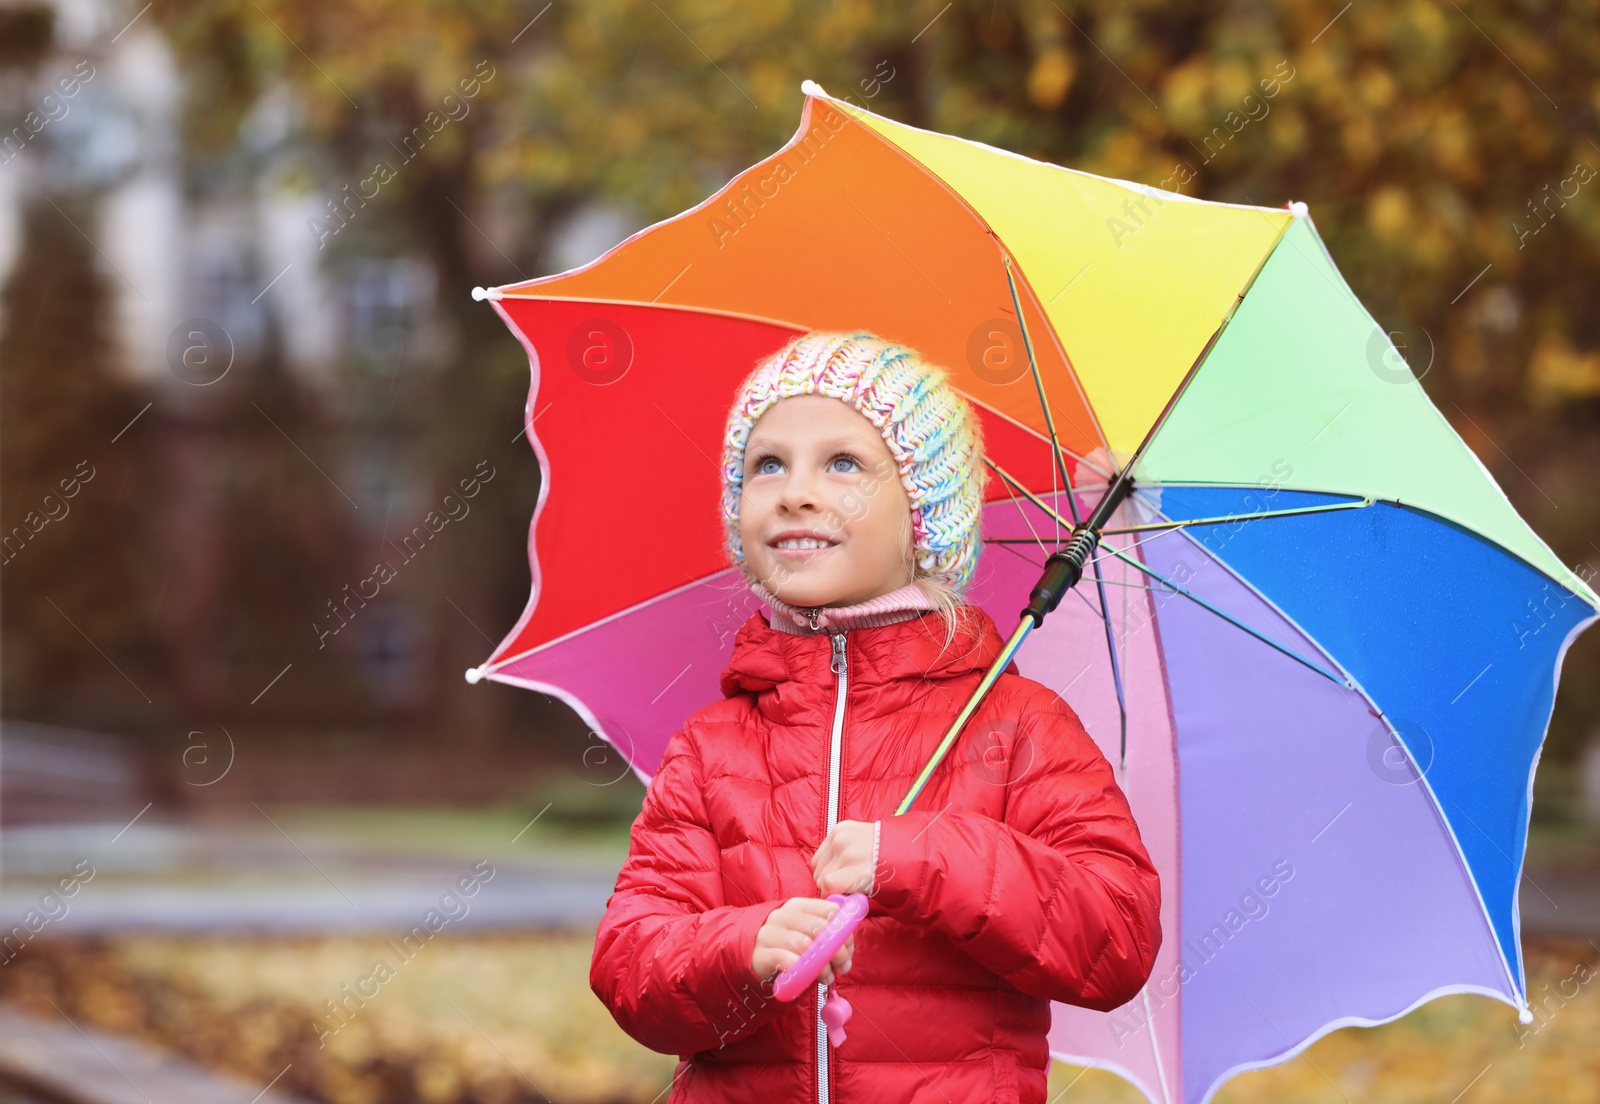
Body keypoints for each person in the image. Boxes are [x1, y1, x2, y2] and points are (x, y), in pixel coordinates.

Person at [589, 330, 1161, 1103]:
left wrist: (927, 855)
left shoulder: (1017, 727)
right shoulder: (713, 745)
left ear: (924, 513)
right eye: (767, 465)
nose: (795, 491)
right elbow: (630, 964)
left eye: (844, 464)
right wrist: (742, 946)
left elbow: (1115, 938)